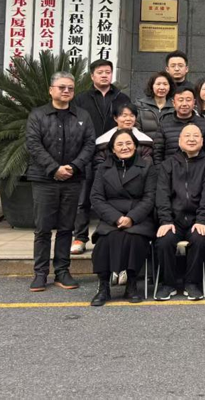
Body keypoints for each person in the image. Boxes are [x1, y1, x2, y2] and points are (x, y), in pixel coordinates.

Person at [25, 71, 96, 292]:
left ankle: (62, 271)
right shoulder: (38, 115)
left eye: (70, 88)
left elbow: (90, 144)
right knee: (43, 228)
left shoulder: (82, 115)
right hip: (44, 179)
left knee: (67, 227)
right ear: (51, 90)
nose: (66, 91)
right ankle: (40, 273)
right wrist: (54, 168)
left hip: (73, 179)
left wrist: (73, 167)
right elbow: (33, 144)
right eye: (62, 87)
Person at [89, 129, 157, 306]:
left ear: (135, 146)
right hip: (111, 216)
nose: (124, 147)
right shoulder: (103, 168)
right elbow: (96, 197)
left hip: (139, 217)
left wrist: (131, 218)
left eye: (128, 143)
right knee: (105, 241)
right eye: (119, 144)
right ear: (113, 148)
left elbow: (150, 197)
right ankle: (103, 287)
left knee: (134, 239)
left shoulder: (147, 167)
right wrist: (117, 218)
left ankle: (131, 285)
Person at [71, 58, 131, 255]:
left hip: (115, 154)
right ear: (92, 76)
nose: (104, 75)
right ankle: (80, 237)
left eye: (108, 72)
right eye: (100, 72)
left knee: (113, 197)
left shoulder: (122, 98)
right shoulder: (81, 99)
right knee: (83, 198)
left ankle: (108, 234)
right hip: (87, 154)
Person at [154, 124, 205, 301]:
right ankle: (168, 284)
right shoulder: (168, 164)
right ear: (179, 140)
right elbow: (162, 195)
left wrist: (202, 219)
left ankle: (192, 283)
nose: (191, 139)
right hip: (174, 219)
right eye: (187, 136)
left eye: (196, 136)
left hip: (198, 218)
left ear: (202, 141)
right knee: (164, 241)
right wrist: (166, 220)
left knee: (199, 239)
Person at [153, 86, 205, 164]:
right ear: (173, 103)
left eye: (188, 100)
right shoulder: (164, 124)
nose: (184, 104)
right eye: (180, 100)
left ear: (194, 102)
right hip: (170, 168)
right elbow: (157, 153)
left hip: (199, 169)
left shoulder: (204, 124)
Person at [135, 71, 175, 144]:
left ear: (170, 86)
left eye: (165, 84)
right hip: (146, 147)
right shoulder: (140, 105)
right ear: (152, 86)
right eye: (158, 84)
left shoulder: (175, 106)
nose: (162, 87)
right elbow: (136, 130)